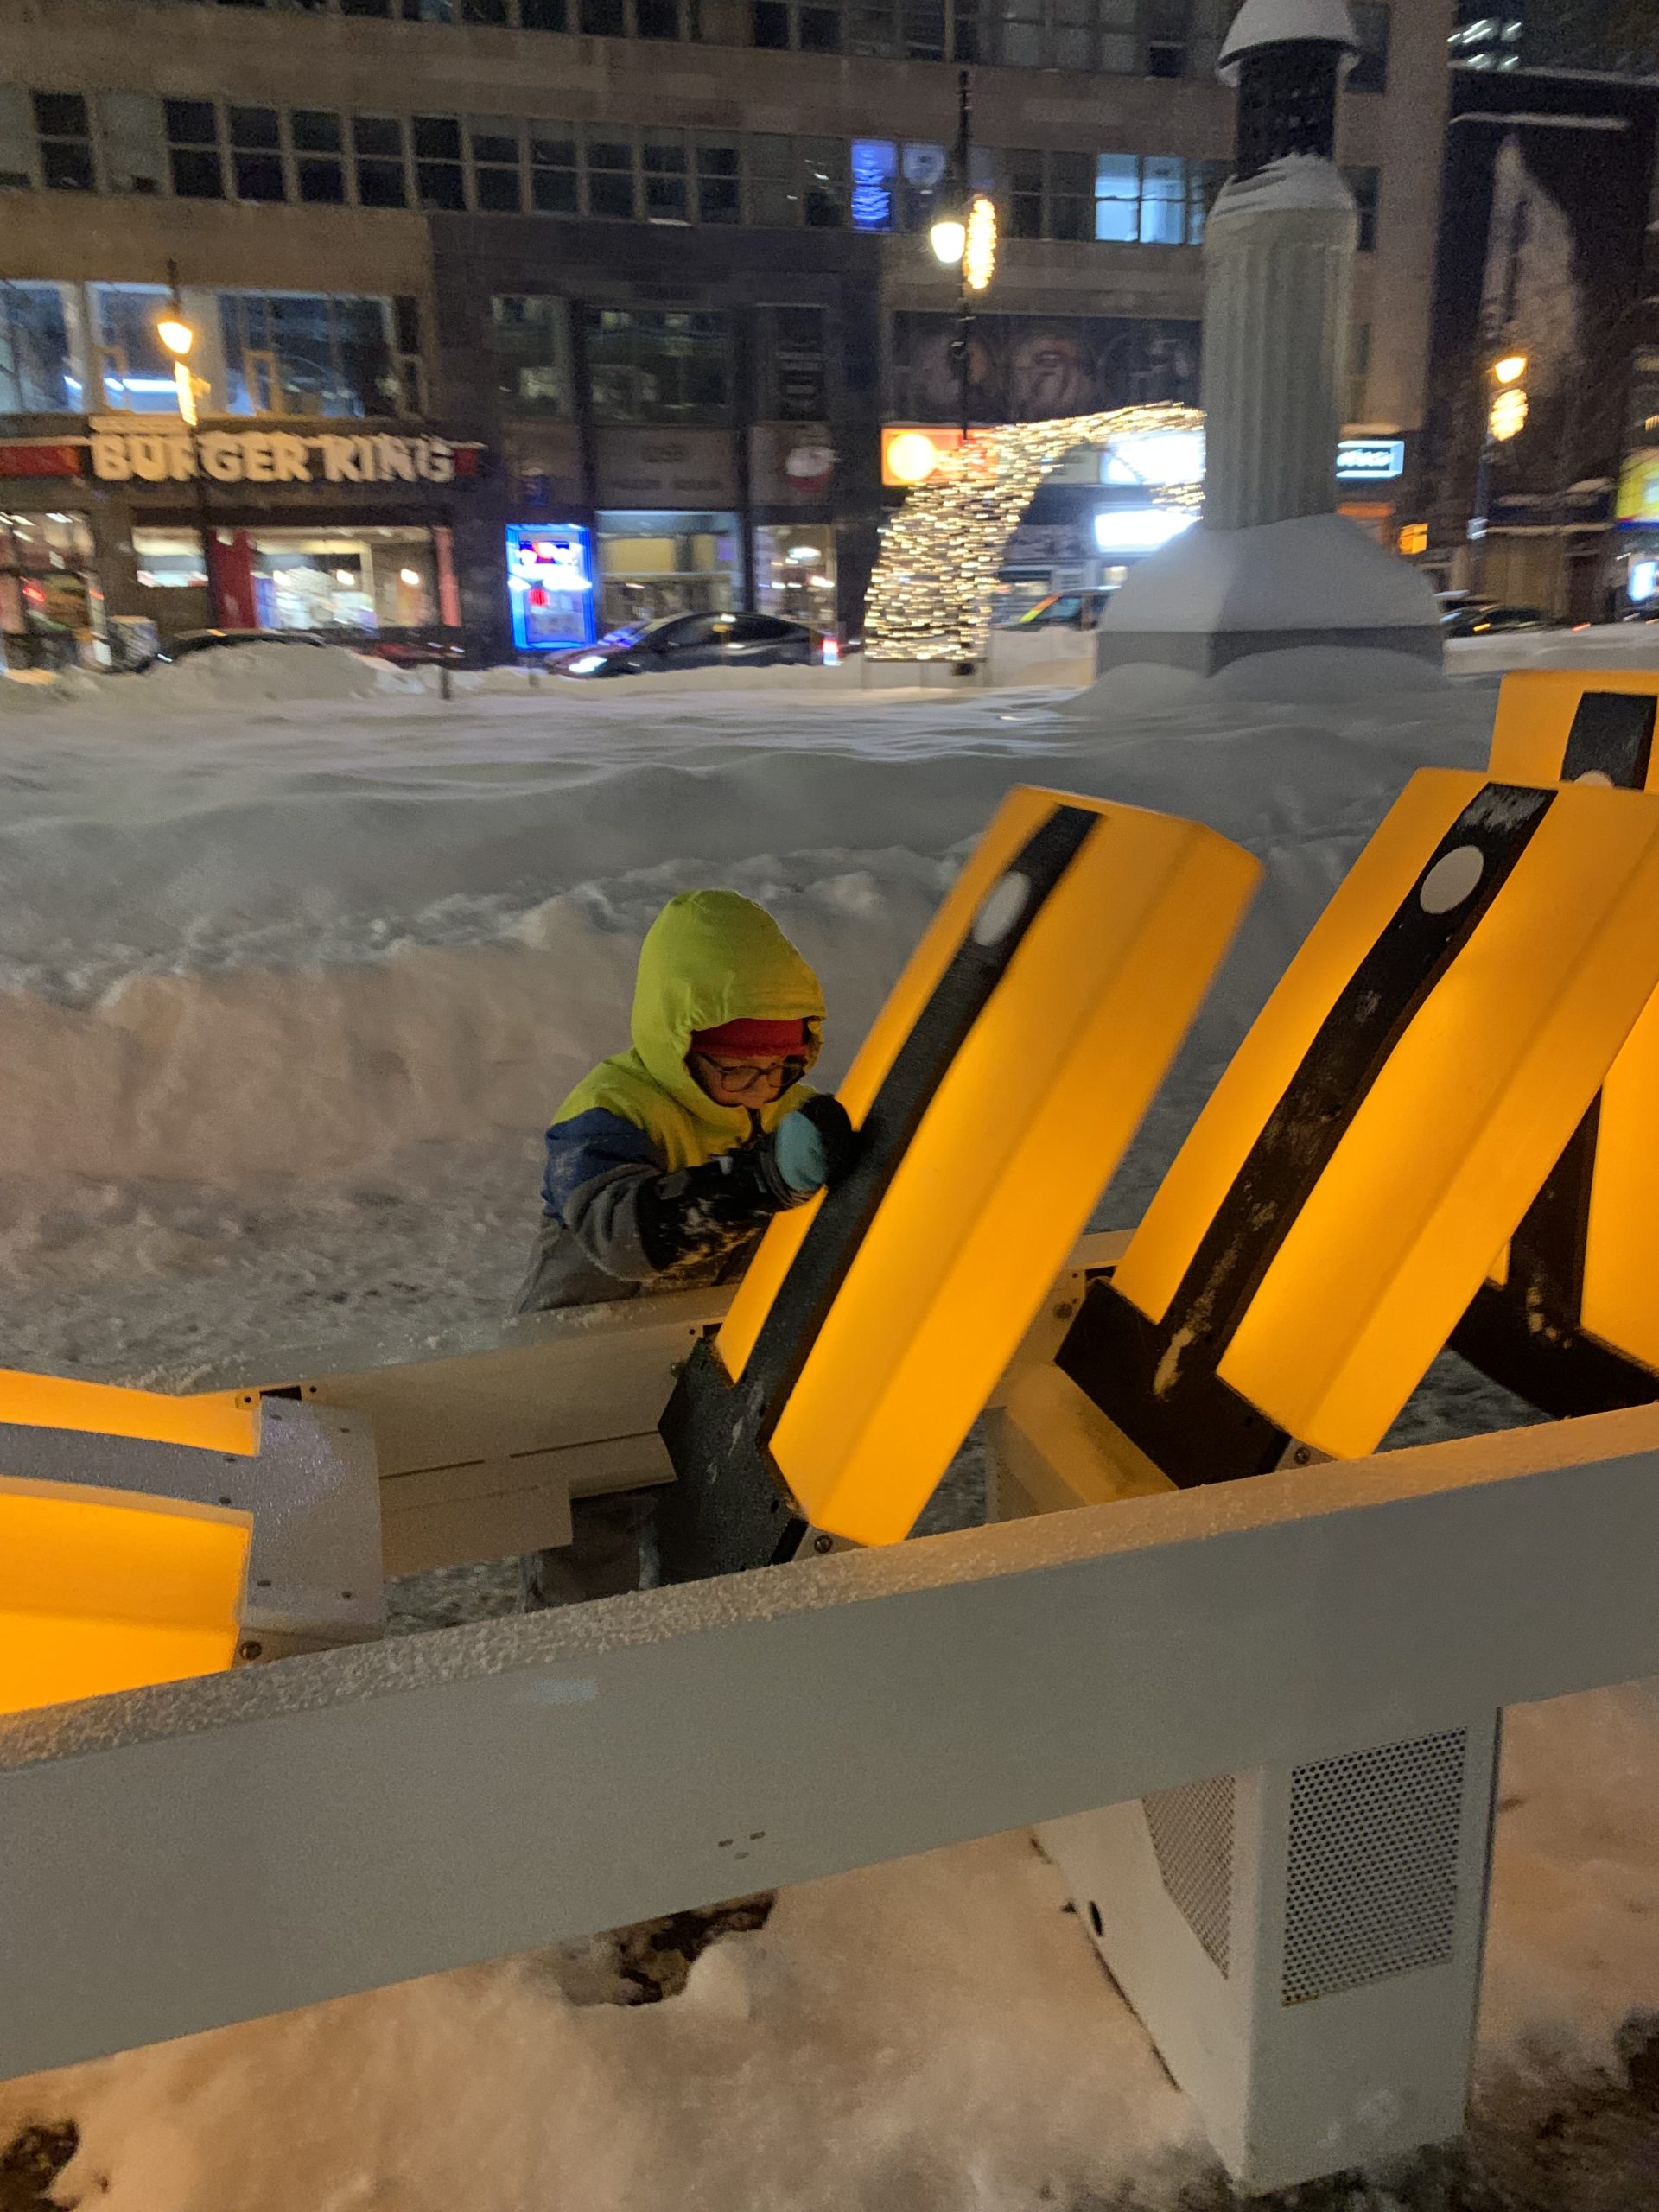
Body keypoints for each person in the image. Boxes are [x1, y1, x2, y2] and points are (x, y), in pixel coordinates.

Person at [511, 887, 856, 1607]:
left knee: (710, 1511)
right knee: (587, 1532)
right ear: (680, 1045)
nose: (761, 1088)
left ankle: (691, 1647)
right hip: (588, 1363)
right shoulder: (611, 1111)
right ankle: (580, 1659)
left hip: (708, 1359)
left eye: (783, 1066)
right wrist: (758, 1180)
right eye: (738, 1070)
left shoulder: (786, 1109)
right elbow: (622, 1237)